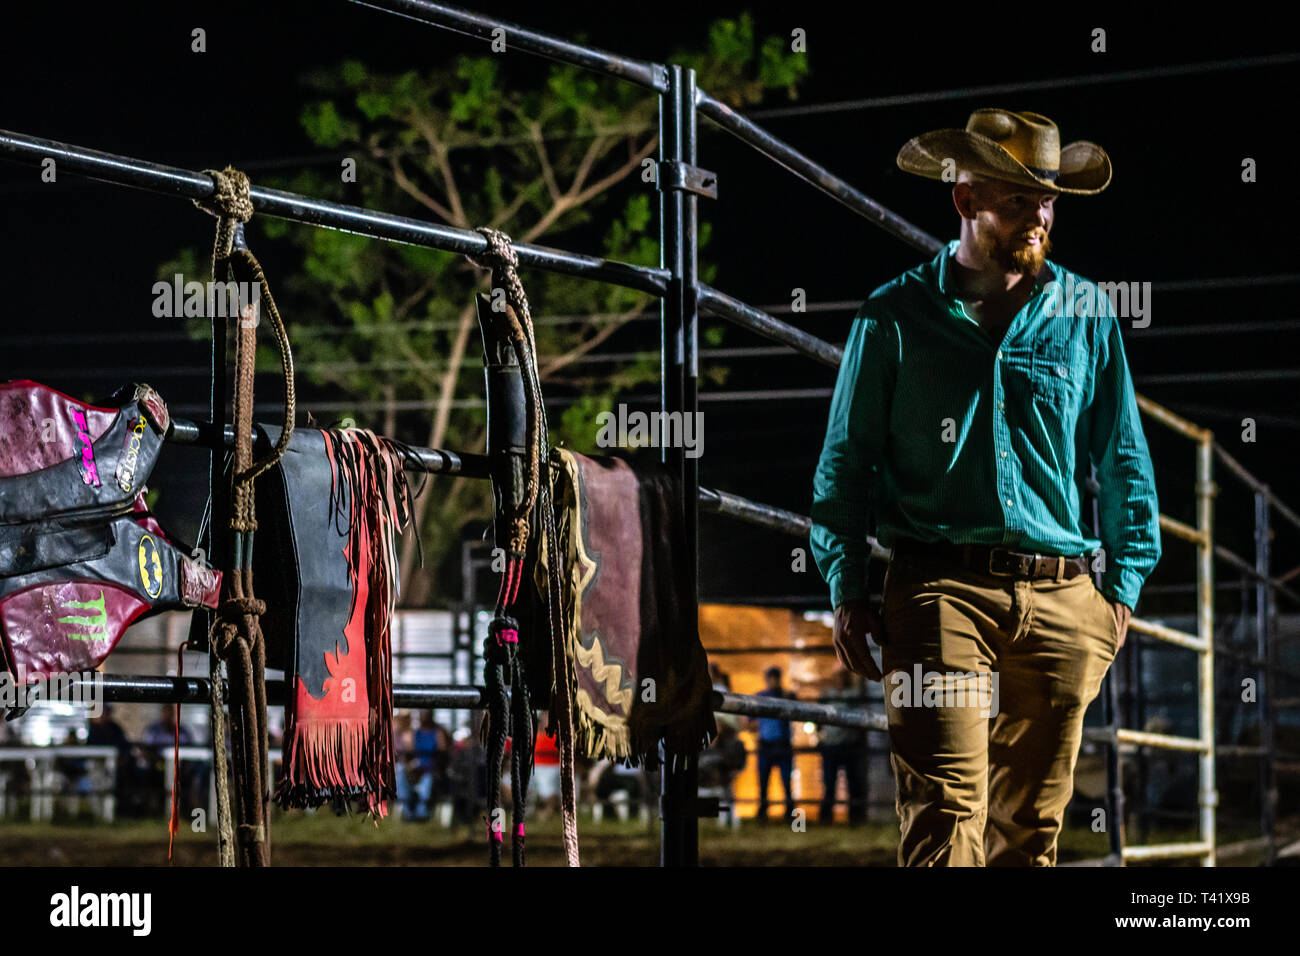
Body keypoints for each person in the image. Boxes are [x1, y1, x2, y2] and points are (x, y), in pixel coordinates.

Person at [811, 109, 1161, 866]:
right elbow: (846, 462)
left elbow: (1124, 453)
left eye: (1049, 201)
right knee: (946, 813)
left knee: (1032, 829)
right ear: (965, 202)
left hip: (1066, 597)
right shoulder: (894, 316)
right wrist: (846, 586)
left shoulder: (1085, 311)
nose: (1039, 216)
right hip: (939, 586)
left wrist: (1122, 588)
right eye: (1017, 200)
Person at [817, 669, 868, 824]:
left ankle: (855, 818)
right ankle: (826, 819)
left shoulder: (852, 696)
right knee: (829, 783)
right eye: (837, 677)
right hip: (831, 746)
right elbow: (819, 717)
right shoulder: (828, 696)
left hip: (848, 746)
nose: (839, 681)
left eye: (842, 678)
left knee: (852, 783)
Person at [752, 666, 795, 822]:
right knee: (764, 781)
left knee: (785, 781)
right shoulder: (761, 697)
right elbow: (748, 721)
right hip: (767, 744)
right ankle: (763, 810)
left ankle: (788, 812)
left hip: (781, 744)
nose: (772, 682)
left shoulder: (786, 696)